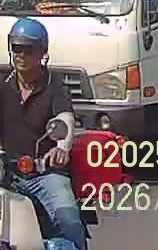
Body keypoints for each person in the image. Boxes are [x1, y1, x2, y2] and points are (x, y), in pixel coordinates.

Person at [1, 18, 86, 250]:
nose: (21, 55)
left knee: (68, 220)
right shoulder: (3, 85)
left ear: (42, 53)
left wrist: (62, 148)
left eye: (28, 50)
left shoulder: (55, 88)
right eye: (17, 48)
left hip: (46, 174)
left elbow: (64, 119)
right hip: (6, 173)